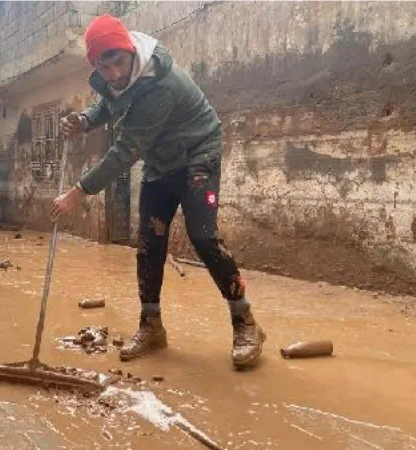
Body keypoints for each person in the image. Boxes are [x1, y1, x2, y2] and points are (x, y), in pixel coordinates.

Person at [52, 15, 265, 369]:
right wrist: (86, 119)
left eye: (118, 62)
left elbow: (126, 149)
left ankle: (246, 323)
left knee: (204, 236)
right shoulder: (117, 78)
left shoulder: (158, 83)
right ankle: (151, 326)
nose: (114, 73)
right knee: (149, 242)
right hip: (161, 160)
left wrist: (79, 192)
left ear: (130, 51)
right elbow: (111, 101)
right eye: (103, 67)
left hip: (198, 155)